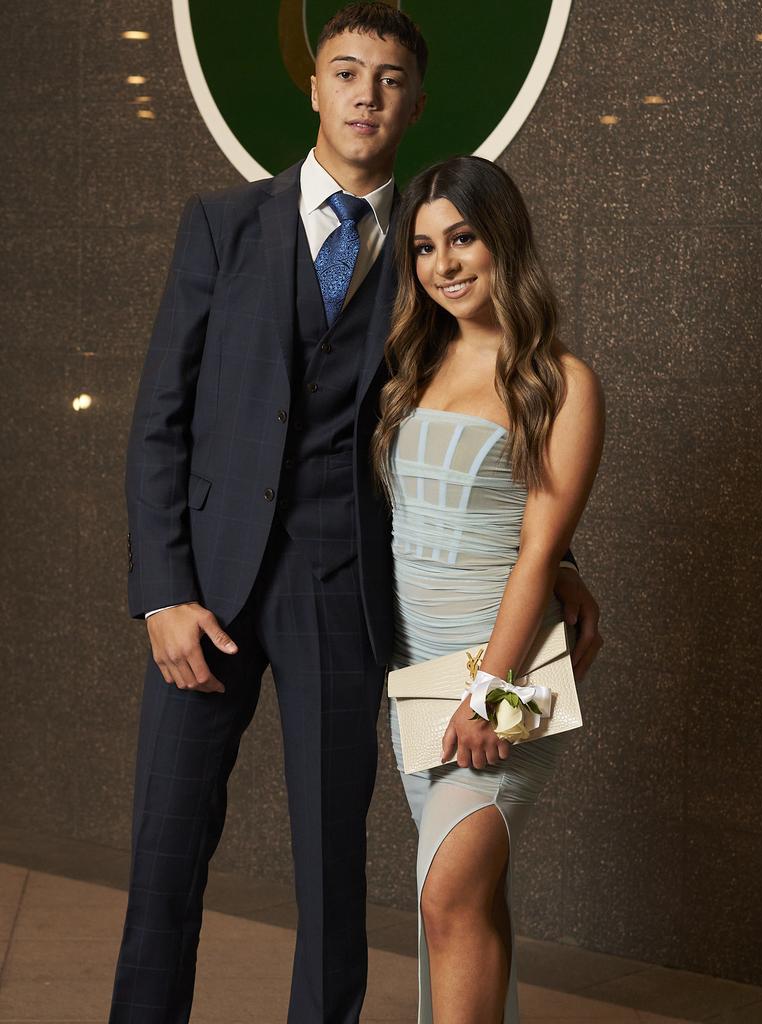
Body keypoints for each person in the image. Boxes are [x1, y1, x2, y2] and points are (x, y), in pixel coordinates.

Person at [109, 4, 603, 1021]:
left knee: (334, 876)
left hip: (345, 593)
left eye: (388, 80)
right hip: (204, 588)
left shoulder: (429, 259)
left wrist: (556, 560)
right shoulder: (221, 225)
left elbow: (497, 419)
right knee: (162, 856)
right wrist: (162, 588)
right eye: (346, 73)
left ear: (415, 103)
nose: (366, 95)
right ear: (315, 88)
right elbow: (160, 419)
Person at [372, 155, 605, 1023]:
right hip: (417, 675)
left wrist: (490, 692)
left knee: (444, 897)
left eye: (463, 237)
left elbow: (538, 552)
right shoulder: (409, 366)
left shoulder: (562, 382)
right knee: (469, 901)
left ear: (502, 237)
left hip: (514, 679)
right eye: (426, 247)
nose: (446, 264)